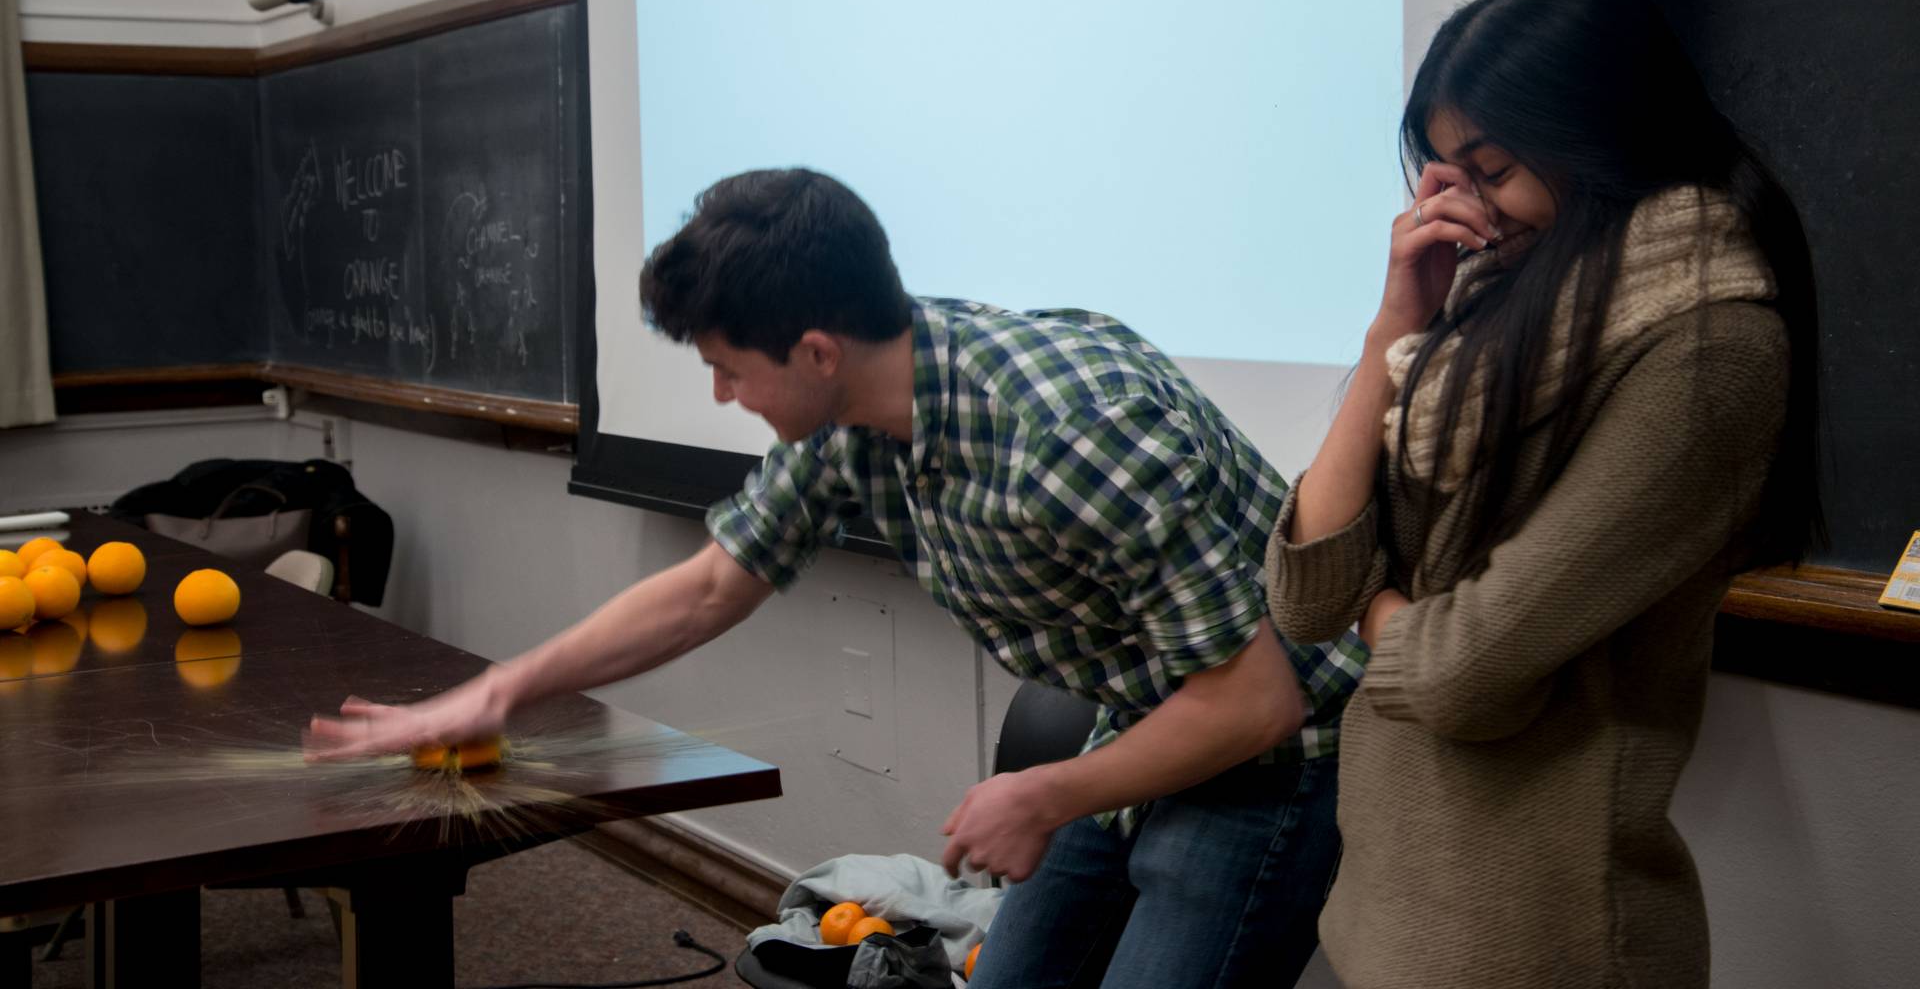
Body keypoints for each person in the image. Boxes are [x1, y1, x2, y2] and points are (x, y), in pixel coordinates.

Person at [308, 168, 1366, 987]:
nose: (721, 397)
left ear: (817, 351)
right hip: (1143, 721)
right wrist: (497, 694)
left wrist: (1045, 792)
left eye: (728, 370)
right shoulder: (861, 408)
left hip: (1276, 754)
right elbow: (710, 588)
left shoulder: (1072, 436)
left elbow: (1256, 701)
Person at [1264, 0, 1825, 988]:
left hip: (1537, 940)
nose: (1463, 204)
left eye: (1491, 168)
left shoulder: (1711, 348)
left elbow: (1460, 670)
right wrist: (1394, 324)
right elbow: (1307, 595)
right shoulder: (1488, 302)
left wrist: (1377, 609)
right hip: (1383, 905)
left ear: (1601, 136)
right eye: (1445, 173)